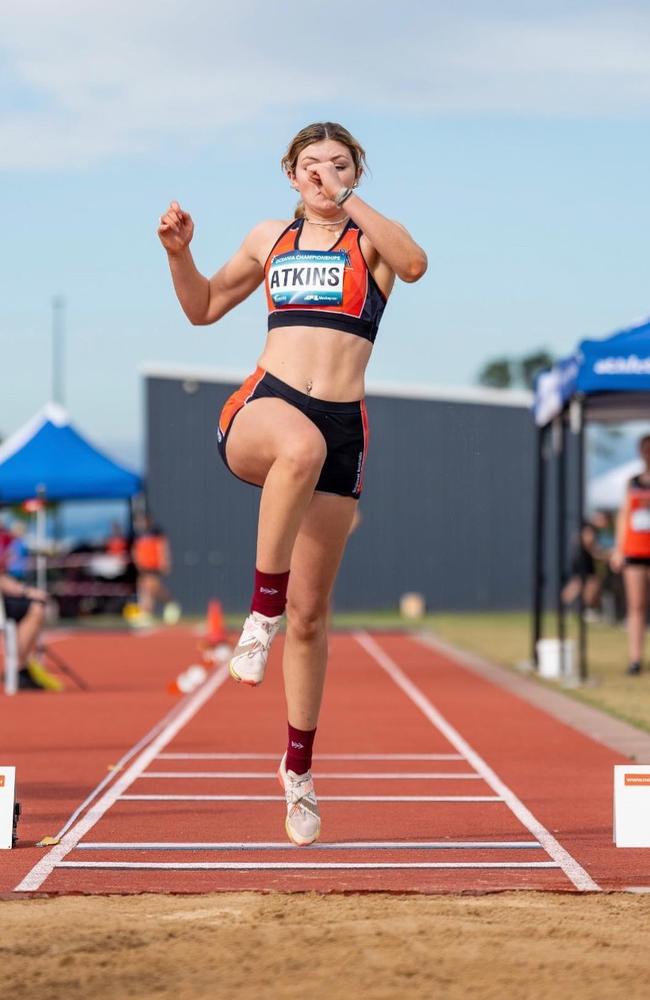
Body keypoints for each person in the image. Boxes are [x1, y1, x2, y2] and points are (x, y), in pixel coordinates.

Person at [158, 121, 427, 845]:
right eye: (311, 164)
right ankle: (257, 615)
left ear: (355, 173)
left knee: (313, 618)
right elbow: (203, 307)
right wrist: (180, 256)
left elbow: (416, 261)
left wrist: (351, 200)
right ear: (289, 174)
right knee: (297, 445)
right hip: (265, 407)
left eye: (339, 165)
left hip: (344, 432)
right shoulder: (268, 238)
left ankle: (299, 774)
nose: (324, 174)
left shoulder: (369, 242)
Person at [610, 434, 650, 675]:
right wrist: (618, 549)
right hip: (635, 549)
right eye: (645, 449)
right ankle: (635, 658)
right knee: (636, 605)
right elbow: (623, 515)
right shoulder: (632, 482)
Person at [131, 513, 180, 625]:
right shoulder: (138, 534)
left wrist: (165, 561)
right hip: (143, 565)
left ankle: (169, 603)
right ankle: (146, 613)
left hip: (154, 564)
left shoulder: (156, 531)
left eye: (142, 520)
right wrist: (137, 561)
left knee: (151, 587)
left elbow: (162, 547)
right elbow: (135, 549)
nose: (140, 523)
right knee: (144, 588)